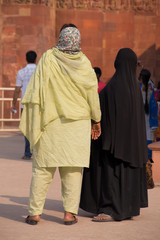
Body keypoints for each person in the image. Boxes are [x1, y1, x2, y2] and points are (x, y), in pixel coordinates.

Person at [19, 23, 101, 225]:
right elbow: (92, 94)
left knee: (42, 170)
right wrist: (96, 119)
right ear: (78, 41)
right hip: (77, 125)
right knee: (72, 170)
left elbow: (36, 89)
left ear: (60, 40)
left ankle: (35, 213)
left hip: (50, 123)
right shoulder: (84, 63)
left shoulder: (48, 58)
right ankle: (69, 214)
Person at [80, 48, 148, 222]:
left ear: (117, 63)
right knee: (126, 172)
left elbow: (98, 114)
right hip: (132, 146)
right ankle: (128, 208)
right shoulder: (135, 89)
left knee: (111, 173)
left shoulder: (111, 88)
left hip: (112, 145)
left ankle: (110, 209)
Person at [12, 51, 37, 160]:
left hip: (25, 104)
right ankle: (38, 153)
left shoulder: (21, 72)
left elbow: (17, 89)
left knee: (27, 129)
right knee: (38, 128)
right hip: (38, 104)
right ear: (36, 59)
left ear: (26, 59)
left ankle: (28, 153)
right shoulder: (39, 71)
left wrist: (13, 104)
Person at [139, 69, 158, 160]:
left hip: (138, 118)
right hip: (148, 119)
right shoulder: (150, 91)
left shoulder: (137, 90)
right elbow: (153, 109)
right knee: (148, 136)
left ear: (141, 78)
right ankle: (148, 158)